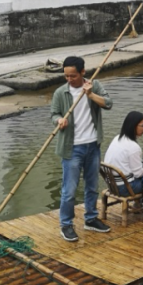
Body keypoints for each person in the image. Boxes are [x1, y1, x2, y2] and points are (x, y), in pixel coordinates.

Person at [52, 55, 113, 242]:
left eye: (73, 76)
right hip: (71, 148)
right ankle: (66, 224)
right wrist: (59, 120)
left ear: (82, 73)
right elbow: (54, 113)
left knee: (92, 186)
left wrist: (90, 94)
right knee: (69, 190)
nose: (69, 80)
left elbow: (108, 104)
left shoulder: (93, 86)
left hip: (93, 145)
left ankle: (91, 219)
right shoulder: (60, 93)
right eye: (66, 76)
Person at [104, 111, 143, 219]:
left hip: (112, 185)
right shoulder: (133, 147)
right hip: (125, 188)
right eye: (142, 125)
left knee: (137, 171)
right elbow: (138, 174)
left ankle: (138, 203)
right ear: (134, 126)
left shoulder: (117, 138)